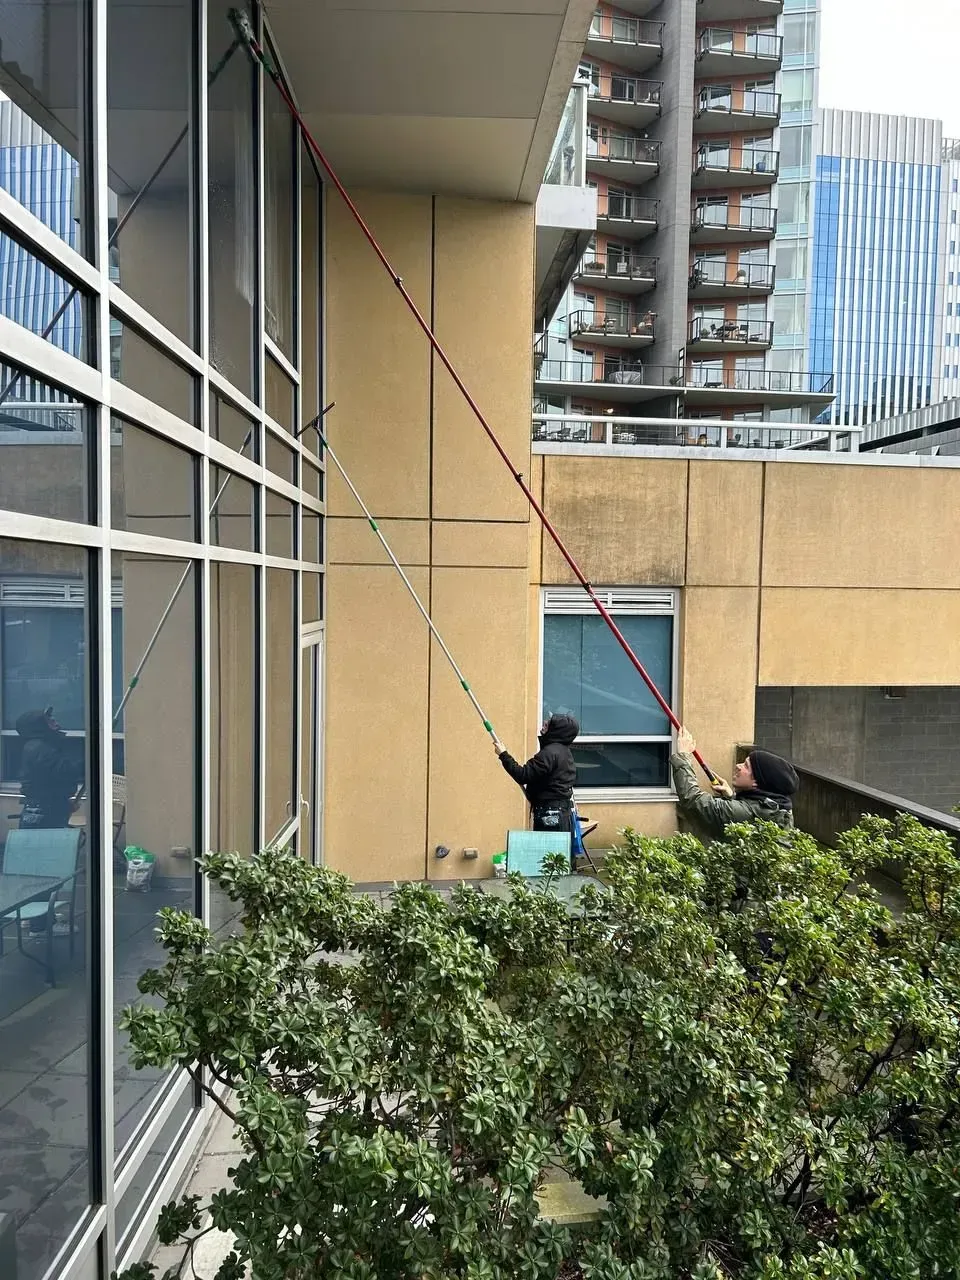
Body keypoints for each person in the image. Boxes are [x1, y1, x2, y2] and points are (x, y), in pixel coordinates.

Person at [671, 727, 798, 842]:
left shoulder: (744, 813)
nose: (738, 766)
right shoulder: (779, 808)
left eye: (746, 766)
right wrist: (731, 797)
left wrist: (683, 755)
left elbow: (692, 800)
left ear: (757, 782)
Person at [493, 714, 579, 836]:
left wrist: (503, 755)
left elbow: (523, 775)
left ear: (556, 730)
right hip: (561, 814)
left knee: (547, 848)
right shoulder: (564, 752)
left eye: (549, 724)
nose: (544, 723)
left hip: (550, 816)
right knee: (557, 849)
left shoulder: (549, 753)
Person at [15, 707, 83, 830]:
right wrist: (89, 760)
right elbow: (66, 771)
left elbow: (52, 781)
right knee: (43, 842)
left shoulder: (45, 746)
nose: (57, 724)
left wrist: (63, 804)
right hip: (42, 812)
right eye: (50, 721)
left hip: (48, 807)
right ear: (38, 726)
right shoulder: (39, 749)